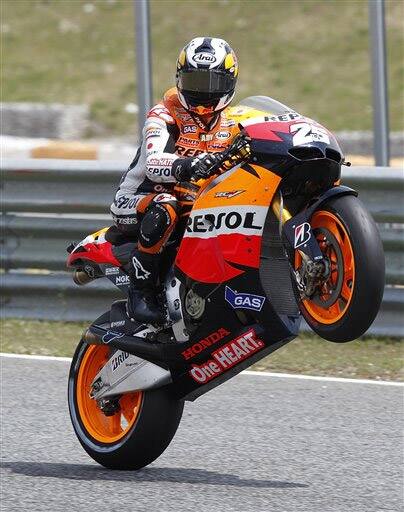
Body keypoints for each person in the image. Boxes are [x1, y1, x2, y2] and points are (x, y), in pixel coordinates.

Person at [110, 37, 241, 324]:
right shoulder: (164, 114)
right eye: (194, 81)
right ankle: (141, 290)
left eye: (211, 83)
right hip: (138, 200)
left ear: (229, 82)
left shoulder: (233, 121)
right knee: (166, 205)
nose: (202, 93)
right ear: (179, 79)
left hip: (192, 201)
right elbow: (155, 164)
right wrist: (189, 164)